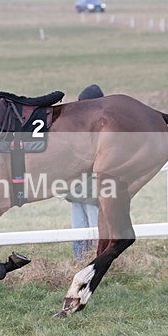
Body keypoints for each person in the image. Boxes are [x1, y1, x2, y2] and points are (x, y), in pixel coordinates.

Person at [67, 84, 104, 261]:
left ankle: (92, 262)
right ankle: (82, 263)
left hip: (90, 188)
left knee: (91, 228)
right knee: (80, 230)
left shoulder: (99, 126)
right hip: (78, 188)